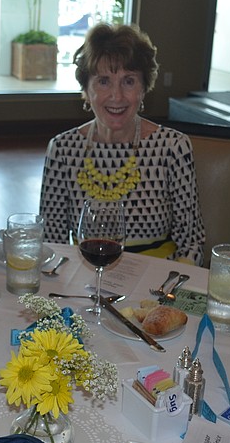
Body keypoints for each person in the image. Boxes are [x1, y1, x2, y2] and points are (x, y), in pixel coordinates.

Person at [39, 23, 205, 265]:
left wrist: (169, 291)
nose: (116, 96)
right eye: (104, 81)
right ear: (86, 89)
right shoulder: (63, 150)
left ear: (144, 88)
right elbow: (52, 243)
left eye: (128, 81)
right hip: (84, 278)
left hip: (157, 284)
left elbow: (191, 243)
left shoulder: (172, 148)